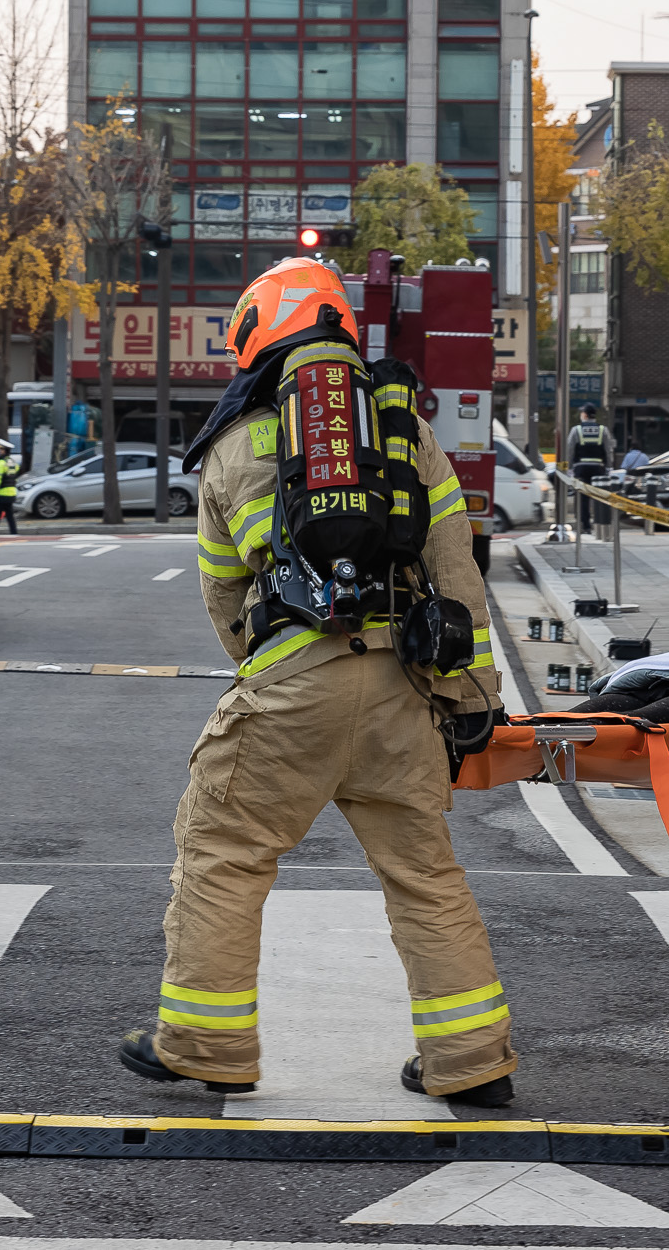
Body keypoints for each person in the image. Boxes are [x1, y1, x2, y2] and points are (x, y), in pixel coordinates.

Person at [117, 258, 515, 1107]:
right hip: (404, 682)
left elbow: (226, 596)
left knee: (224, 850)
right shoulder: (406, 427)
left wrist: (270, 671)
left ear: (259, 331)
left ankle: (204, 1042)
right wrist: (470, 694)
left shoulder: (232, 441)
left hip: (294, 677)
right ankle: (473, 1057)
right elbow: (457, 571)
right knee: (425, 871)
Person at [563, 401, 610, 534]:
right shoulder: (603, 430)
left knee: (583, 498)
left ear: (585, 415)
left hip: (581, 468)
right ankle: (600, 524)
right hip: (598, 469)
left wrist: (569, 468)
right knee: (598, 496)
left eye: (581, 413)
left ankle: (585, 526)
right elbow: (608, 450)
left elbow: (569, 450)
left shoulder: (576, 430)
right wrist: (609, 468)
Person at [0, 441, 21, 535]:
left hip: (1, 494)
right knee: (10, 516)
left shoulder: (0, 464)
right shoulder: (13, 463)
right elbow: (14, 477)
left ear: (4, 451)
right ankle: (14, 533)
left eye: (0, 450)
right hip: (11, 493)